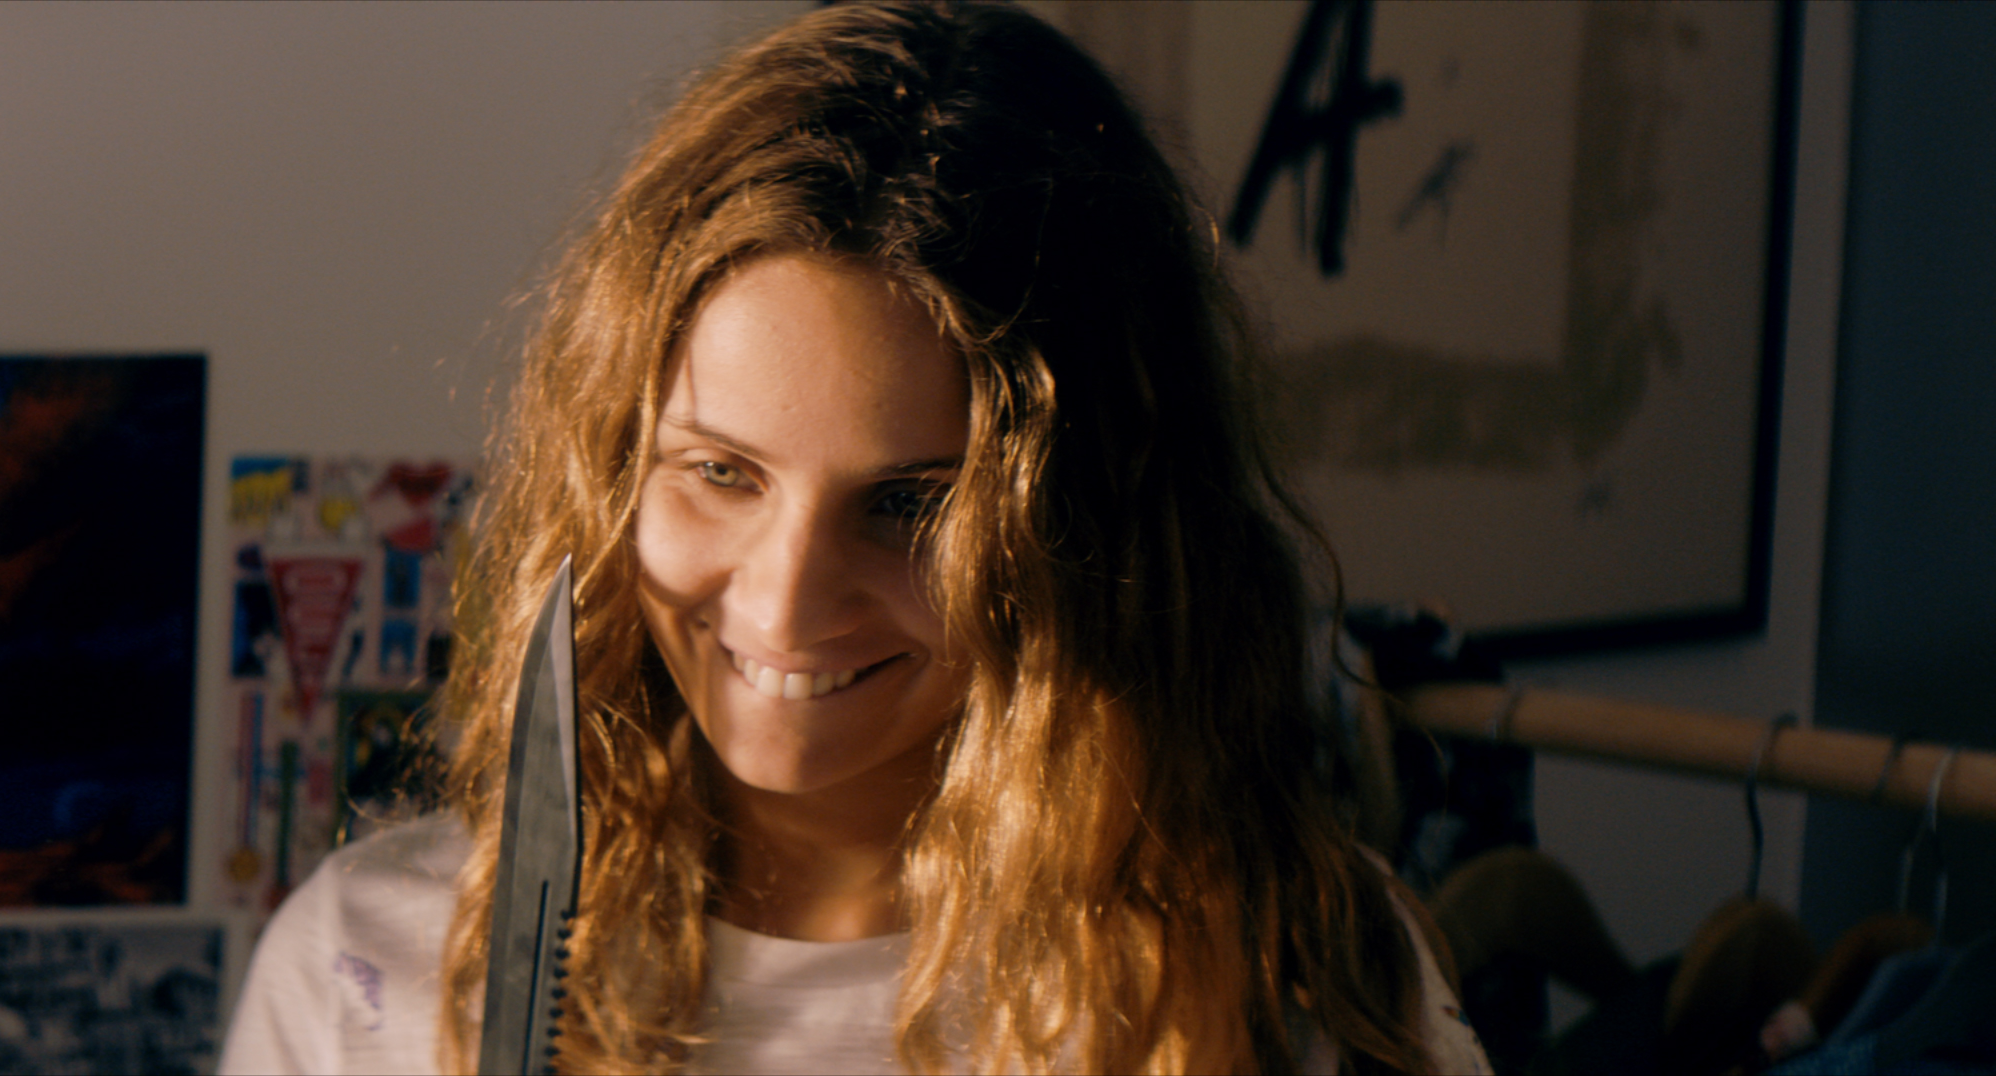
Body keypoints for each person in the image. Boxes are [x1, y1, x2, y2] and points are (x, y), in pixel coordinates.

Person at [221, 2, 1491, 1072]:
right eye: (720, 472)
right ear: (611, 469)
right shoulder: (366, 977)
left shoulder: (1287, 979)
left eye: (911, 504)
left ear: (1092, 534)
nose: (782, 607)